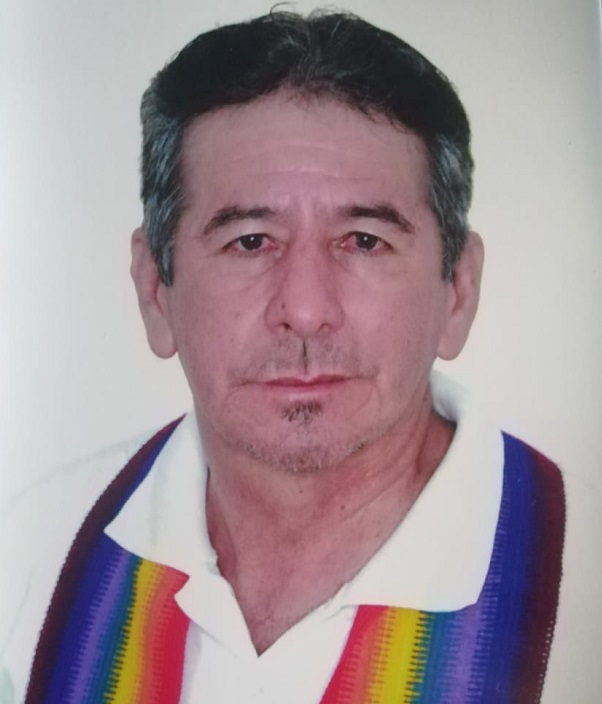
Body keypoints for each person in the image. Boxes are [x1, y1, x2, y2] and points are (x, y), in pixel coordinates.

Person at [0, 10, 565, 703]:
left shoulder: (581, 587)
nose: (303, 307)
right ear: (154, 290)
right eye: (249, 241)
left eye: (364, 240)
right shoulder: (35, 554)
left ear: (459, 290)